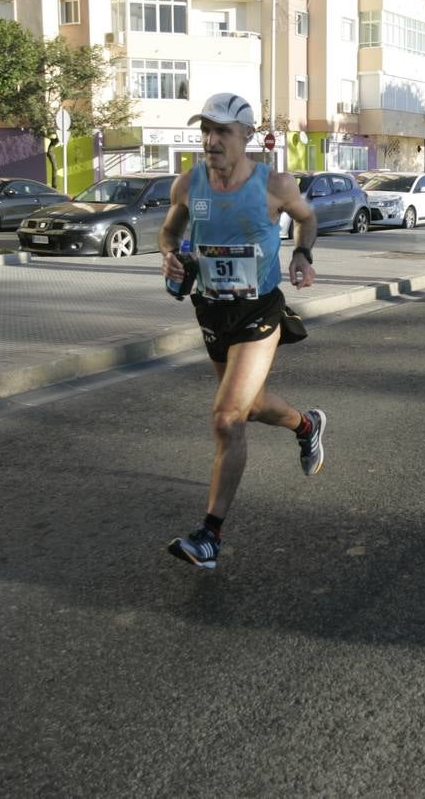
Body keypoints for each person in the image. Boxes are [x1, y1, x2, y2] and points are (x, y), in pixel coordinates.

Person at [158, 92, 324, 570]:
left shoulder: (274, 184)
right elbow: (170, 231)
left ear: (246, 136)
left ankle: (209, 535)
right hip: (210, 310)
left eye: (221, 131)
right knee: (248, 407)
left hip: (259, 310)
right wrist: (169, 254)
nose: (210, 140)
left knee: (226, 418)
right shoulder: (189, 183)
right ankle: (306, 424)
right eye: (205, 130)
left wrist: (301, 254)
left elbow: (307, 220)